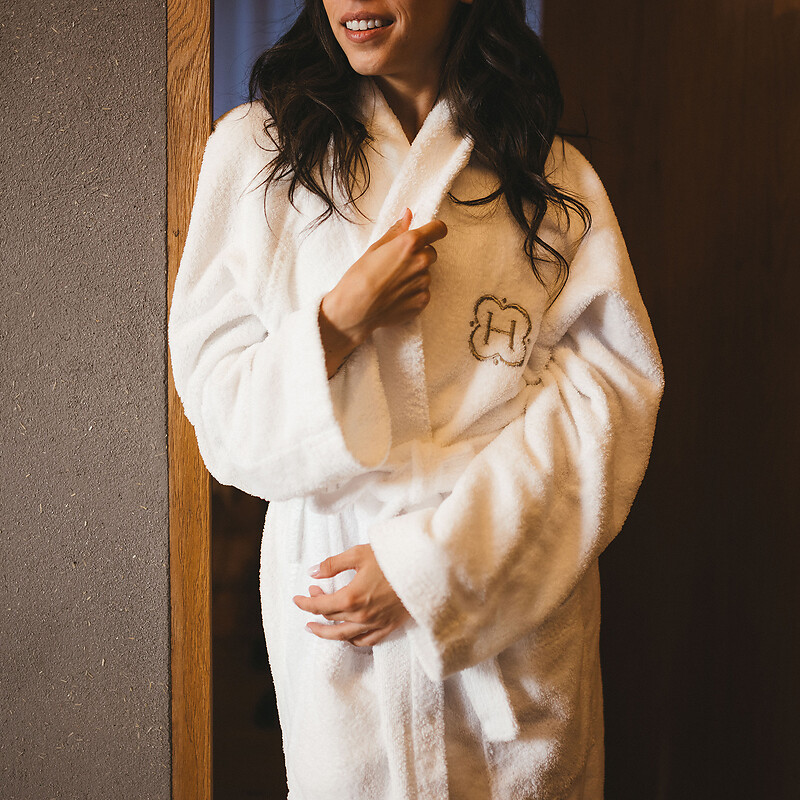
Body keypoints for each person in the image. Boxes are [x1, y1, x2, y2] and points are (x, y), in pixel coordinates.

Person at [168, 0, 664, 797]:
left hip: (506, 615)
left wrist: (429, 569)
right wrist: (338, 320)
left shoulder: (545, 168)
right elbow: (221, 417)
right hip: (342, 624)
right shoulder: (260, 153)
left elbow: (609, 402)